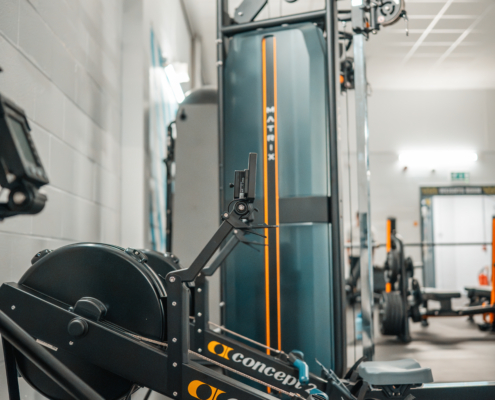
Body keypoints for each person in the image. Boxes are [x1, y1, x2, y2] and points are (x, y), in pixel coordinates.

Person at [346, 212, 377, 291]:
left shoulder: (370, 229)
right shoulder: (351, 229)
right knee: (353, 275)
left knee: (363, 275)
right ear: (356, 218)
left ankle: (365, 291)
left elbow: (373, 245)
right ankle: (352, 292)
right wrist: (348, 256)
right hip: (354, 255)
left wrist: (372, 258)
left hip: (364, 256)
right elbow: (348, 242)